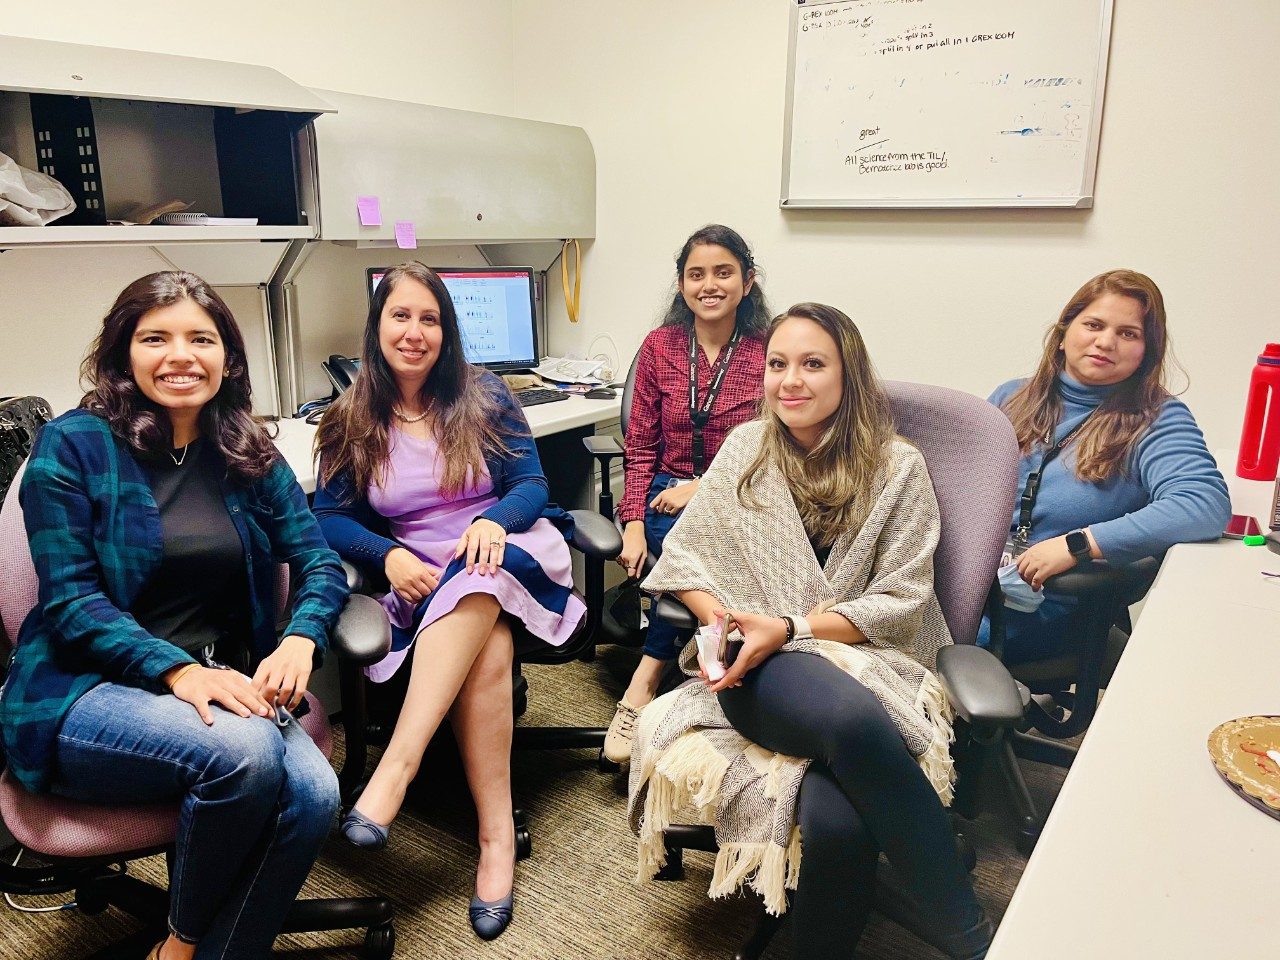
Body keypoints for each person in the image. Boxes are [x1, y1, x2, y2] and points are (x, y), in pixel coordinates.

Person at [628, 303, 992, 960]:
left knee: (840, 825)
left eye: (813, 364)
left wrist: (790, 625)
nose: (790, 381)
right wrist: (724, 623)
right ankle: (971, 936)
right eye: (777, 365)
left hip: (871, 659)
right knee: (852, 726)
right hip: (758, 669)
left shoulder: (897, 466)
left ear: (848, 376)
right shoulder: (745, 450)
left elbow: (905, 597)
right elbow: (686, 558)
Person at [0, 272, 347, 960]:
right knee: (242, 755)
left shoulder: (246, 451)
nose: (180, 355)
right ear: (123, 353)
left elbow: (319, 561)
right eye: (155, 338)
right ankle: (182, 947)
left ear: (228, 357)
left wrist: (301, 638)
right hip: (86, 689)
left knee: (314, 795)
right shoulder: (73, 447)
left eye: (201, 338)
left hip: (227, 683)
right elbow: (72, 605)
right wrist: (180, 672)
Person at [312, 261, 584, 941]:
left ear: (446, 330)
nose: (414, 331)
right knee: (485, 639)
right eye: (400, 316)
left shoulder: (484, 394)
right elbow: (329, 517)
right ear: (376, 328)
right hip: (425, 576)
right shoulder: (350, 418)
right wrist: (390, 555)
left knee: (480, 576)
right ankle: (496, 839)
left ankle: (395, 771)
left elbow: (531, 480)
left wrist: (495, 520)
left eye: (429, 318)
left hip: (507, 551)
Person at [982, 269, 1230, 666]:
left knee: (889, 647)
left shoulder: (1156, 419)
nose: (1105, 342)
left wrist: (1075, 545)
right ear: (1063, 334)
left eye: (1128, 333)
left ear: (1146, 352)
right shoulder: (1011, 397)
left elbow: (1203, 505)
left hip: (1041, 609)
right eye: (1094, 325)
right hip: (966, 586)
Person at [604, 224, 771, 764]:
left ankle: (647, 676)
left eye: (724, 272)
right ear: (681, 285)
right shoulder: (660, 347)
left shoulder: (769, 351)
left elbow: (774, 445)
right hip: (662, 494)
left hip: (740, 492)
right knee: (675, 534)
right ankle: (714, 644)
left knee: (696, 541)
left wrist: (704, 488)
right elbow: (642, 445)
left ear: (747, 282)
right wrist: (631, 521)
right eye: (696, 274)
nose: (710, 285)